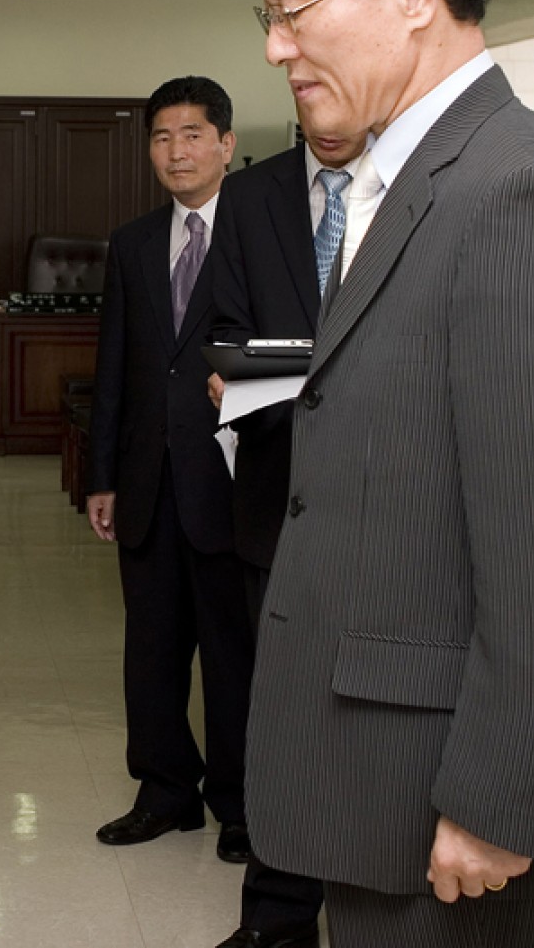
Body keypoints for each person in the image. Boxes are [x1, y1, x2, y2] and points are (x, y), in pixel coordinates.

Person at [239, 0, 534, 946]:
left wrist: (498, 795)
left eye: (291, 8)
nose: (275, 48)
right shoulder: (409, 175)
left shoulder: (516, 193)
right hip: (382, 779)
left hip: (452, 804)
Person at [203, 122, 372, 948]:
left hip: (380, 494)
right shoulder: (250, 193)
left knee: (368, 717)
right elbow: (228, 327)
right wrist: (237, 367)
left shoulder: (407, 183)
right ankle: (276, 916)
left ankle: (370, 903)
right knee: (279, 714)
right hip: (276, 484)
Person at [85, 76, 252, 865]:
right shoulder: (133, 241)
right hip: (148, 481)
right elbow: (114, 363)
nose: (176, 151)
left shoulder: (265, 234)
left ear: (225, 142)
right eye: (161, 137)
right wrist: (102, 476)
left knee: (232, 651)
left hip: (230, 481)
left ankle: (241, 803)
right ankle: (163, 791)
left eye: (192, 135)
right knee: (149, 649)